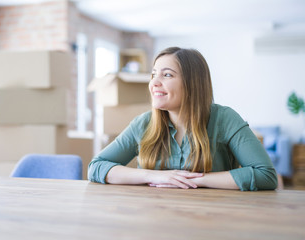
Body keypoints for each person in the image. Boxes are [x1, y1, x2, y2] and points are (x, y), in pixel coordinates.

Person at [88, 47, 278, 191]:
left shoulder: (224, 119)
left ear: (192, 84)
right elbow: (96, 167)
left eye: (167, 75)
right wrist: (155, 176)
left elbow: (265, 175)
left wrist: (192, 179)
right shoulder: (143, 124)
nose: (154, 82)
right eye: (154, 74)